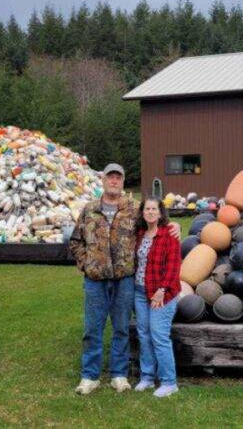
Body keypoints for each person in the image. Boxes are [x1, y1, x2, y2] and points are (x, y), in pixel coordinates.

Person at [69, 163, 180, 395]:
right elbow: (75, 241)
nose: (114, 181)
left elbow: (155, 220)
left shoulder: (133, 209)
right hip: (95, 280)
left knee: (121, 328)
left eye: (118, 177)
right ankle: (90, 376)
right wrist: (86, 263)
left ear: (122, 181)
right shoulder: (89, 209)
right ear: (103, 180)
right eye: (110, 176)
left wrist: (174, 226)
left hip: (124, 280)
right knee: (93, 328)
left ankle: (119, 375)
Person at [133, 197, 181, 397]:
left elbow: (173, 266)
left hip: (163, 293)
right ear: (142, 213)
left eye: (154, 209)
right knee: (144, 335)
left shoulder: (169, 235)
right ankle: (147, 377)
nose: (150, 212)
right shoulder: (140, 235)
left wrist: (161, 290)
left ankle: (169, 382)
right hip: (140, 292)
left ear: (160, 213)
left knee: (159, 336)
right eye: (147, 209)